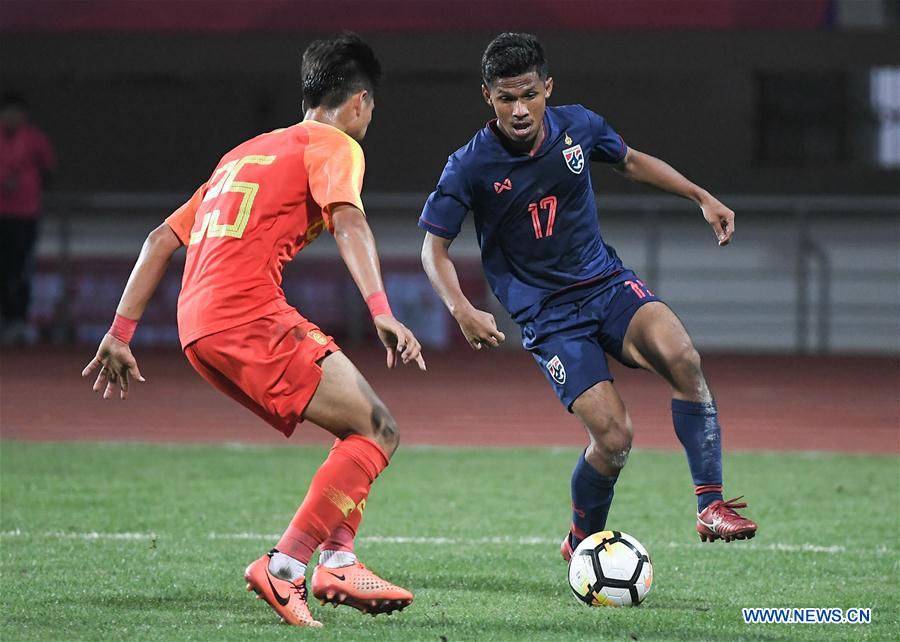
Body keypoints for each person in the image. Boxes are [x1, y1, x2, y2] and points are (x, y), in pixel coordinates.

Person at [83, 33, 424, 628]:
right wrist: (380, 308)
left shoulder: (242, 153)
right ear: (361, 101)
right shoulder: (336, 143)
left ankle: (338, 559)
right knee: (380, 430)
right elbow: (348, 221)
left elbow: (161, 239)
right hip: (247, 314)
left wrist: (120, 330)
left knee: (358, 432)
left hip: (198, 327)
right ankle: (290, 565)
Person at [419, 33, 757, 561]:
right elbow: (433, 248)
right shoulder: (469, 165)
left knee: (684, 357)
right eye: (506, 98)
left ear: (547, 88)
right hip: (548, 315)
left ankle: (710, 506)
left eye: (528, 94)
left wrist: (700, 196)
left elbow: (631, 160)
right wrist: (461, 308)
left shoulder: (579, 126)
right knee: (615, 437)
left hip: (605, 283)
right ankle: (582, 541)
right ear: (488, 97)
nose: (520, 109)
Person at [0, 92, 55, 345]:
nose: (11, 117)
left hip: (25, 216)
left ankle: (18, 322)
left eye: (16, 112)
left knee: (21, 271)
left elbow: (48, 171)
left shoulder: (34, 139)